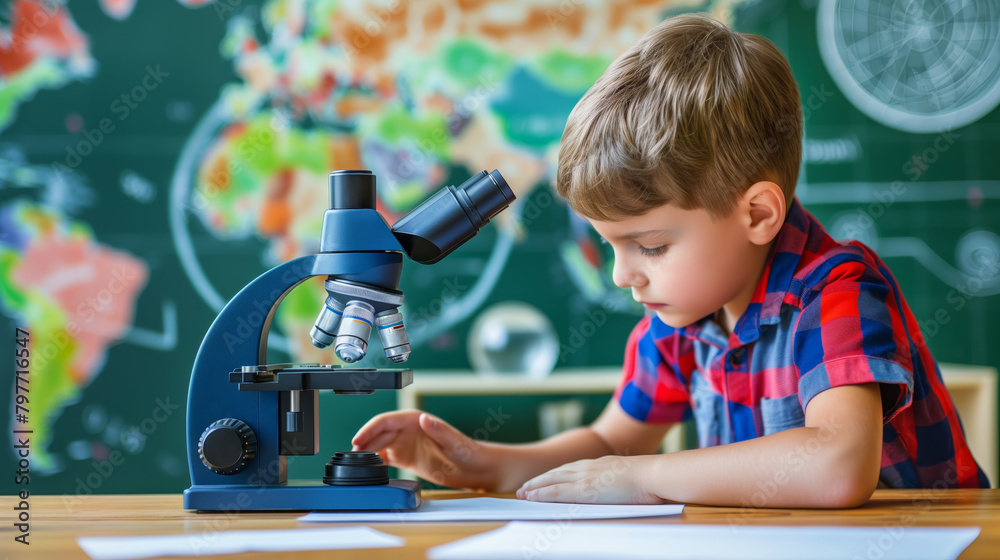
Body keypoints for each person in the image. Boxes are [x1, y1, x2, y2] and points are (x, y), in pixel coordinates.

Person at [352, 13, 990, 507]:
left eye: (650, 246)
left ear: (758, 215)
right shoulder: (681, 322)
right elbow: (608, 446)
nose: (623, 275)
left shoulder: (836, 290)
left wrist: (645, 476)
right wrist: (473, 463)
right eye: (611, 245)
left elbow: (836, 464)